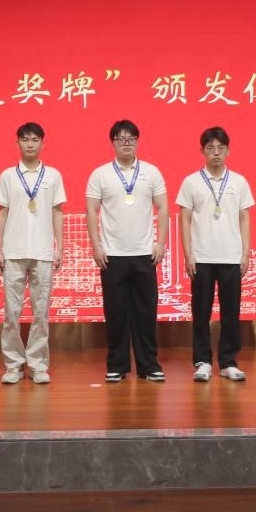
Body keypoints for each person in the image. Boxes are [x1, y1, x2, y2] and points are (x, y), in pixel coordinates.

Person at [85, 119, 168, 383]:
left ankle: (149, 365)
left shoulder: (151, 172)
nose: (126, 143)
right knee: (116, 313)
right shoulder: (100, 174)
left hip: (144, 253)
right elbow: (91, 210)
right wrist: (96, 246)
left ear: (137, 141)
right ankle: (116, 365)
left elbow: (163, 207)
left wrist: (160, 243)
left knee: (146, 312)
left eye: (131, 138)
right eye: (121, 139)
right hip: (112, 255)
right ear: (113, 143)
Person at [176, 127, 254, 382]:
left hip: (231, 256)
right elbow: (184, 219)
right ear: (202, 151)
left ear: (228, 151)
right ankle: (203, 362)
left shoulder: (239, 182)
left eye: (221, 148)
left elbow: (244, 217)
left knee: (231, 313)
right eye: (210, 148)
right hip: (202, 257)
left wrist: (245, 253)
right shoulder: (191, 182)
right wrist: (188, 254)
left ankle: (228, 362)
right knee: (201, 313)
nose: (216, 153)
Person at [0, 122, 66, 385]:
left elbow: (57, 211)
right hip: (13, 252)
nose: (30, 144)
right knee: (11, 312)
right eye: (25, 139)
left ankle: (37, 365)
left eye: (35, 140)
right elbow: (1, 213)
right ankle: (13, 364)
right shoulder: (8, 176)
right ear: (17, 143)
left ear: (43, 143)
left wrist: (60, 247)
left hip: (43, 252)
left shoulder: (53, 176)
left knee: (41, 312)